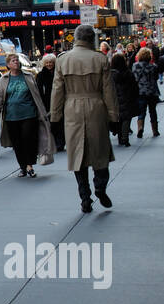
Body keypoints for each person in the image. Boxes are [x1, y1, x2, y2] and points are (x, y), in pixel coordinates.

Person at [50, 25, 118, 213]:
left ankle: (85, 197)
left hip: (72, 108)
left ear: (75, 38)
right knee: (100, 152)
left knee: (77, 154)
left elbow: (57, 91)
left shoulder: (63, 60)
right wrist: (114, 117)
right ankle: (100, 187)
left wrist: (55, 117)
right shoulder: (100, 59)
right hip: (97, 107)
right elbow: (109, 92)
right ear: (91, 39)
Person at [0, 55, 53, 179]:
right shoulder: (4, 79)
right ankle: (23, 166)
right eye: (13, 61)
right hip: (11, 116)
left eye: (17, 60)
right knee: (17, 143)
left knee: (28, 139)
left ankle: (30, 165)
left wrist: (42, 112)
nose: (16, 62)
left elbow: (36, 95)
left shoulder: (28, 76)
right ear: (8, 65)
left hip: (29, 114)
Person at [35, 53, 65, 152]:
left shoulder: (59, 73)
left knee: (60, 123)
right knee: (50, 124)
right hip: (46, 101)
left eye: (51, 62)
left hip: (59, 100)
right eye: (47, 63)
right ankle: (52, 143)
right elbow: (38, 89)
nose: (49, 64)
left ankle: (60, 142)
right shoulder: (40, 75)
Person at [109, 52, 138, 147]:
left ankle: (119, 136)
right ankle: (125, 137)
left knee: (118, 118)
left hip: (114, 98)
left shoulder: (110, 74)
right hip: (127, 96)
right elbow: (134, 86)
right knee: (126, 117)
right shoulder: (128, 73)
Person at [132, 48, 161, 138]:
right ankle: (155, 130)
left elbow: (135, 78)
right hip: (152, 91)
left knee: (141, 111)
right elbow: (156, 78)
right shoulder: (153, 66)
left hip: (140, 91)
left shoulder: (135, 66)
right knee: (153, 111)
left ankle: (140, 128)